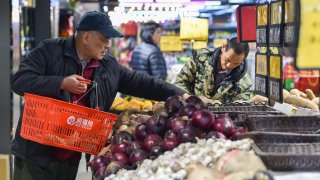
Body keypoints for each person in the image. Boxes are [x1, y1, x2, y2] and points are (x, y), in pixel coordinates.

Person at [12, 11, 184, 180]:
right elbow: (20, 81)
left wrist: (181, 94)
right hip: (35, 152)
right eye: (104, 39)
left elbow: (143, 83)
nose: (108, 45)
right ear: (86, 37)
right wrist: (61, 83)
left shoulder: (108, 66)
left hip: (70, 155)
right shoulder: (49, 50)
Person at [175, 38, 252, 104]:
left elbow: (240, 107)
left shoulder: (245, 83)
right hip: (193, 112)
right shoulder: (200, 58)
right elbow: (180, 82)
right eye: (227, 60)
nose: (229, 65)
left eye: (236, 63)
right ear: (223, 47)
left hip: (223, 119)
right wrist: (191, 99)